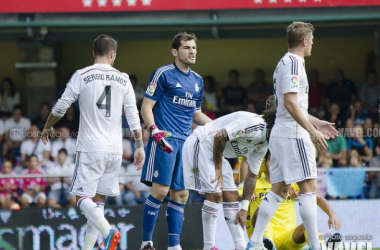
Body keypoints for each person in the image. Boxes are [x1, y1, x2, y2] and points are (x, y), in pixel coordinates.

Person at [41, 34, 145, 250]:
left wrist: (47, 126)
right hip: (115, 150)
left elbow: (61, 107)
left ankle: (108, 232)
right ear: (112, 54)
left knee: (81, 198)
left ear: (93, 53)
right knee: (98, 203)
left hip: (90, 148)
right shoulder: (124, 78)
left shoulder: (82, 74)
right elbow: (133, 116)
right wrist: (139, 146)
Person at [247, 22, 339, 250]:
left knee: (278, 190)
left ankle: (255, 242)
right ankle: (316, 246)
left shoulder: (283, 63)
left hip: (281, 133)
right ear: (305, 41)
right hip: (293, 134)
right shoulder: (295, 64)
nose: (312, 46)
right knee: (308, 188)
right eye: (312, 41)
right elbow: (289, 103)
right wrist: (311, 131)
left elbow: (293, 105)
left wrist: (317, 122)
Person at [140, 32, 212, 250]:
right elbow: (146, 107)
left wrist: (218, 127)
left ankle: (174, 246)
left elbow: (195, 115)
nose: (192, 51)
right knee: (161, 191)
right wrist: (154, 131)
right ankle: (146, 242)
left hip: (187, 143)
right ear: (175, 51)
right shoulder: (163, 74)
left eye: (194, 48)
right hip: (165, 141)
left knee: (181, 194)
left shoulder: (198, 80)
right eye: (187, 48)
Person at [182, 103, 276, 250]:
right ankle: (209, 246)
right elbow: (220, 137)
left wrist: (244, 208)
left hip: (217, 152)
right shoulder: (255, 124)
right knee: (215, 194)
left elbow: (251, 176)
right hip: (202, 144)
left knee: (231, 196)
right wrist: (218, 167)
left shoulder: (263, 145)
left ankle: (241, 246)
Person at [239, 153, 341, 250]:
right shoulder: (254, 184)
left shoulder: (292, 185)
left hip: (288, 237)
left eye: (278, 160)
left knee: (309, 226)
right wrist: (245, 194)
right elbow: (233, 194)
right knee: (260, 211)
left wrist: (332, 214)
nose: (276, 163)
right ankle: (267, 243)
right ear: (265, 163)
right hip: (263, 235)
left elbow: (316, 198)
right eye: (271, 160)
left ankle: (321, 246)